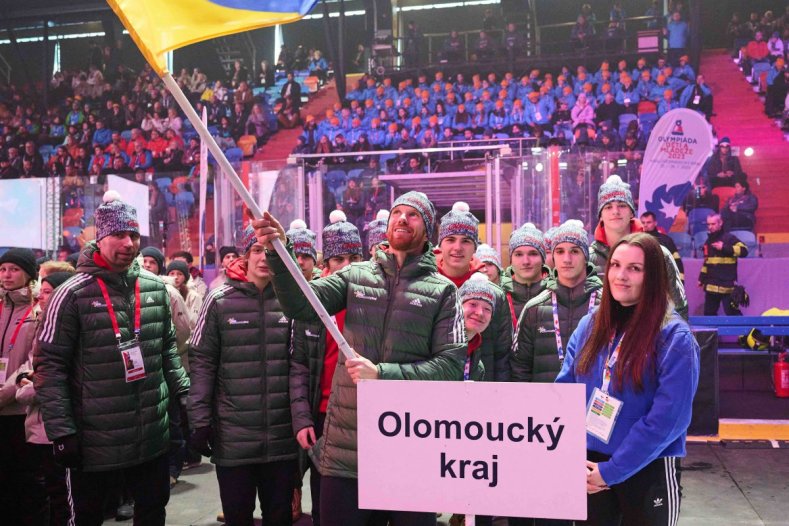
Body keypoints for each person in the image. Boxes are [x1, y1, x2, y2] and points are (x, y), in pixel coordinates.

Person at [253, 191, 465, 526]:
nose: (403, 219)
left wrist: (381, 373)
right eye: (398, 212)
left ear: (428, 229)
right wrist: (279, 253)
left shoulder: (442, 291)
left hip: (410, 449)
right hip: (346, 450)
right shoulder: (356, 276)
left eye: (414, 215)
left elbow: (450, 368)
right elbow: (302, 305)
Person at [35, 191, 190, 525]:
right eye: (119, 235)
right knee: (88, 517)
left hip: (150, 434)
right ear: (100, 238)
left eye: (133, 235)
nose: (129, 243)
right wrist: (62, 431)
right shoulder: (71, 294)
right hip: (93, 440)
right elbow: (49, 366)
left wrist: (188, 401)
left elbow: (167, 351)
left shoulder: (154, 287)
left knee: (152, 512)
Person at [557, 233, 700, 526]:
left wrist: (612, 471)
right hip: (589, 467)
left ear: (654, 278)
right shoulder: (590, 325)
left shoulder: (674, 338)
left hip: (648, 467)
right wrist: (569, 457)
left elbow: (668, 420)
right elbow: (564, 395)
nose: (621, 276)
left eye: (635, 268)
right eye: (616, 265)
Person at [188, 225, 297, 526]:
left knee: (280, 517)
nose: (264, 258)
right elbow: (202, 360)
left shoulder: (293, 299)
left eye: (271, 251)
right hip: (234, 437)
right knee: (238, 517)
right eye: (257, 250)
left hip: (282, 436)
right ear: (245, 255)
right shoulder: (219, 300)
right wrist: (199, 419)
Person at [289, 214, 366, 526]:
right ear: (326, 263)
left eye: (354, 258)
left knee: (368, 504)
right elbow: (298, 367)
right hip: (324, 416)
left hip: (367, 415)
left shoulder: (375, 299)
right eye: (338, 259)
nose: (346, 265)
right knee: (326, 506)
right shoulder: (313, 302)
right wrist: (302, 417)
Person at [11, 271, 76, 526]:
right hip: (38, 424)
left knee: (63, 497)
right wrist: (24, 378)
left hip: (56, 426)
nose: (41, 296)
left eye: (48, 291)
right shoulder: (41, 322)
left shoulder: (63, 327)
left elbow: (52, 377)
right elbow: (31, 368)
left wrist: (24, 389)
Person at [512, 220, 603, 384]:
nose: (567, 259)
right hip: (544, 406)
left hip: (593, 405)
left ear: (586, 257)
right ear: (552, 256)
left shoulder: (606, 304)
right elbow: (520, 370)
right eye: (560, 251)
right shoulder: (534, 308)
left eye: (574, 251)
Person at [434, 202, 511, 389]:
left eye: (466, 241)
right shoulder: (426, 285)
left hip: (483, 393)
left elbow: (503, 355)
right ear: (440, 244)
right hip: (433, 393)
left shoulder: (495, 294)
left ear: (475, 247)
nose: (458, 247)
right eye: (451, 239)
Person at [590, 175, 688, 319]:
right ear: (600, 215)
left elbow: (679, 307)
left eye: (622, 205)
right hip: (601, 338)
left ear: (631, 212)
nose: (615, 211)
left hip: (648, 337)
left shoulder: (659, 254)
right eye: (608, 206)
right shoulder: (587, 259)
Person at [0, 248, 47, 525]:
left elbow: (33, 361)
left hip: (20, 409)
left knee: (27, 481)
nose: (7, 275)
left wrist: (4, 395)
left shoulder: (38, 312)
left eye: (14, 269)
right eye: (3, 269)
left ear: (28, 274)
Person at [501, 223, 549, 326]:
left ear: (543, 259)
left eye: (533, 254)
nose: (526, 261)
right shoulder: (499, 297)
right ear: (511, 259)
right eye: (518, 254)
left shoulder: (556, 293)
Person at [700, 214, 749, 315]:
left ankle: (743, 331)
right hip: (711, 286)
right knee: (708, 315)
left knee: (732, 314)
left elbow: (745, 251)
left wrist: (725, 247)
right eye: (708, 224)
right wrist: (701, 278)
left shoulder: (729, 238)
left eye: (713, 224)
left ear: (720, 223)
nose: (710, 227)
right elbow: (707, 262)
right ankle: (711, 332)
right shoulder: (708, 241)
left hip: (727, 287)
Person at [640, 211, 685, 282]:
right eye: (643, 222)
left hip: (661, 280)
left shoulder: (666, 240)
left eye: (648, 222)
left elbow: (677, 261)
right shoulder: (637, 240)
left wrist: (680, 281)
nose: (645, 225)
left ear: (655, 223)